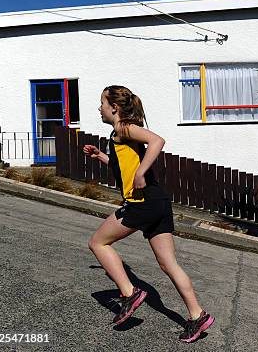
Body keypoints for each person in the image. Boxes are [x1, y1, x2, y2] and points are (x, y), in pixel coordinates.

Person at [84, 85, 214, 343]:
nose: (99, 108)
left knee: (98, 242)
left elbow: (157, 140)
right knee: (168, 264)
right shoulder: (118, 136)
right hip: (158, 202)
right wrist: (101, 156)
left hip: (142, 202)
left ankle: (129, 292)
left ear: (115, 107)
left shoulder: (124, 128)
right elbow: (124, 167)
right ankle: (197, 315)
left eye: (102, 103)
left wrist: (142, 172)